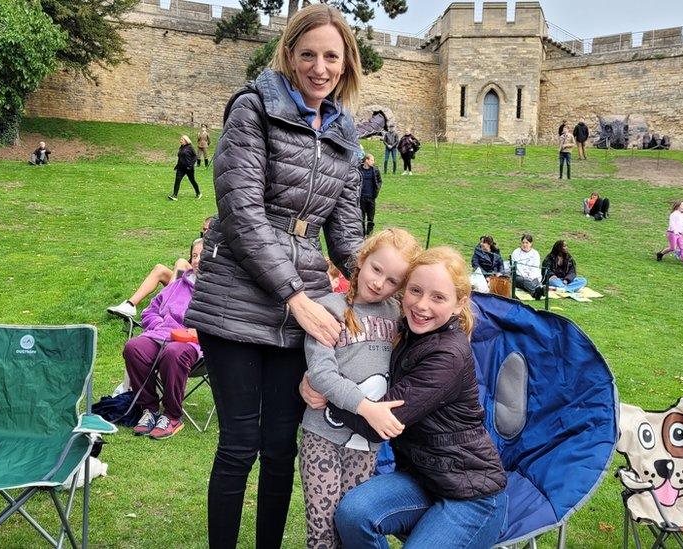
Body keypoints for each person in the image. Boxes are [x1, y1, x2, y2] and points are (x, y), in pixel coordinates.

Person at [183, 4, 366, 548]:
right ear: (288, 55)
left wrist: (387, 285)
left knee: (282, 444)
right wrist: (294, 296)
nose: (319, 67)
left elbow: (347, 234)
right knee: (239, 442)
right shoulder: (252, 109)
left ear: (346, 63)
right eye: (307, 54)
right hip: (237, 295)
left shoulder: (345, 134)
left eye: (331, 56)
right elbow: (241, 211)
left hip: (302, 300)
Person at [309, 247, 507, 548]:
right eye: (415, 291)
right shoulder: (407, 331)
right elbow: (355, 355)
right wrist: (312, 374)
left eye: (438, 297)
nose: (422, 305)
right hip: (424, 479)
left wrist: (327, 393)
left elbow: (380, 423)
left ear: (459, 304)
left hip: (472, 495)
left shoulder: (447, 355)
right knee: (353, 513)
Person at [300, 228, 420, 549]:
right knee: (322, 532)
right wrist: (368, 408)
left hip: (366, 446)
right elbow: (322, 374)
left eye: (393, 281)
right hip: (322, 438)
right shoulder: (329, 308)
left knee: (349, 527)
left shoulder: (398, 317)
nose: (380, 283)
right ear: (361, 260)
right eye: (376, 269)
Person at [125, 238, 204, 440]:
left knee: (173, 352)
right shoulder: (178, 284)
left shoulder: (221, 288)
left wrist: (198, 333)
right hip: (160, 334)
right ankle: (149, 409)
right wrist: (159, 325)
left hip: (195, 344)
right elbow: (150, 311)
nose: (197, 260)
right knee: (134, 347)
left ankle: (172, 415)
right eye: (194, 255)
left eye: (202, 255)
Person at [656, 200, 683, 267]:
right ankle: (660, 254)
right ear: (678, 206)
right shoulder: (673, 214)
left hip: (680, 234)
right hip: (672, 233)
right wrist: (675, 231)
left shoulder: (682, 216)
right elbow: (672, 223)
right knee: (672, 248)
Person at [510, 233, 544, 299]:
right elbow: (518, 268)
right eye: (523, 242)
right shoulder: (516, 252)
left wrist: (530, 277)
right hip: (519, 276)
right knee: (525, 281)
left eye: (527, 243)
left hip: (532, 276)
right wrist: (525, 277)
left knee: (535, 280)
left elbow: (535, 267)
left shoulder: (535, 253)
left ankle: (538, 291)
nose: (524, 245)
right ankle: (535, 292)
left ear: (531, 244)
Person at [170, 135, 200, 201]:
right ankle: (174, 195)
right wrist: (177, 165)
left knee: (192, 180)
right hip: (180, 168)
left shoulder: (190, 147)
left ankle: (198, 193)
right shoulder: (181, 147)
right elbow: (180, 158)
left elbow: (195, 157)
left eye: (182, 140)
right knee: (177, 180)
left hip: (188, 168)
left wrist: (191, 165)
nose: (180, 141)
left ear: (186, 140)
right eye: (180, 140)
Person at [358, 153, 382, 236]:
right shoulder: (358, 169)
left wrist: (377, 189)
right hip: (361, 198)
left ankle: (369, 235)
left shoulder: (375, 170)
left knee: (371, 218)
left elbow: (379, 180)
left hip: (371, 198)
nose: (373, 162)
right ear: (366, 160)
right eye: (372, 160)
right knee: (361, 218)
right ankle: (362, 235)